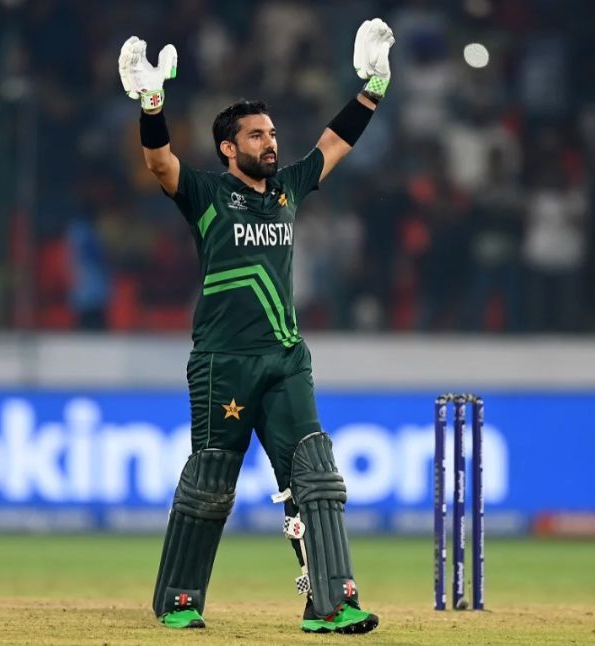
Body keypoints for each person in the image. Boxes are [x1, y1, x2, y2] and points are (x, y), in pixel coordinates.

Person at [118, 18, 395, 634]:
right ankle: (179, 602)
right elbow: (159, 163)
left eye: (272, 134)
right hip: (224, 361)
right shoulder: (207, 194)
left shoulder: (287, 190)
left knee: (316, 479)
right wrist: (152, 103)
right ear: (228, 147)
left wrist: (373, 86)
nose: (271, 144)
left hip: (287, 358)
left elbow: (333, 145)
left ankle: (330, 604)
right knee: (212, 484)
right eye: (257, 136)